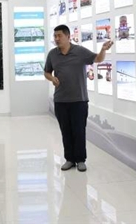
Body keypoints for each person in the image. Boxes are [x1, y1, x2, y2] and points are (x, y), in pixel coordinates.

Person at [44, 24, 113, 172]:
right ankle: (69, 159)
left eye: (59, 36)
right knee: (66, 131)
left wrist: (103, 50)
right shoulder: (52, 54)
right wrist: (52, 78)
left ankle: (81, 160)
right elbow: (47, 72)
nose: (56, 39)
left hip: (79, 100)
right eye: (55, 36)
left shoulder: (80, 51)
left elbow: (97, 59)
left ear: (68, 37)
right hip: (61, 100)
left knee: (79, 131)